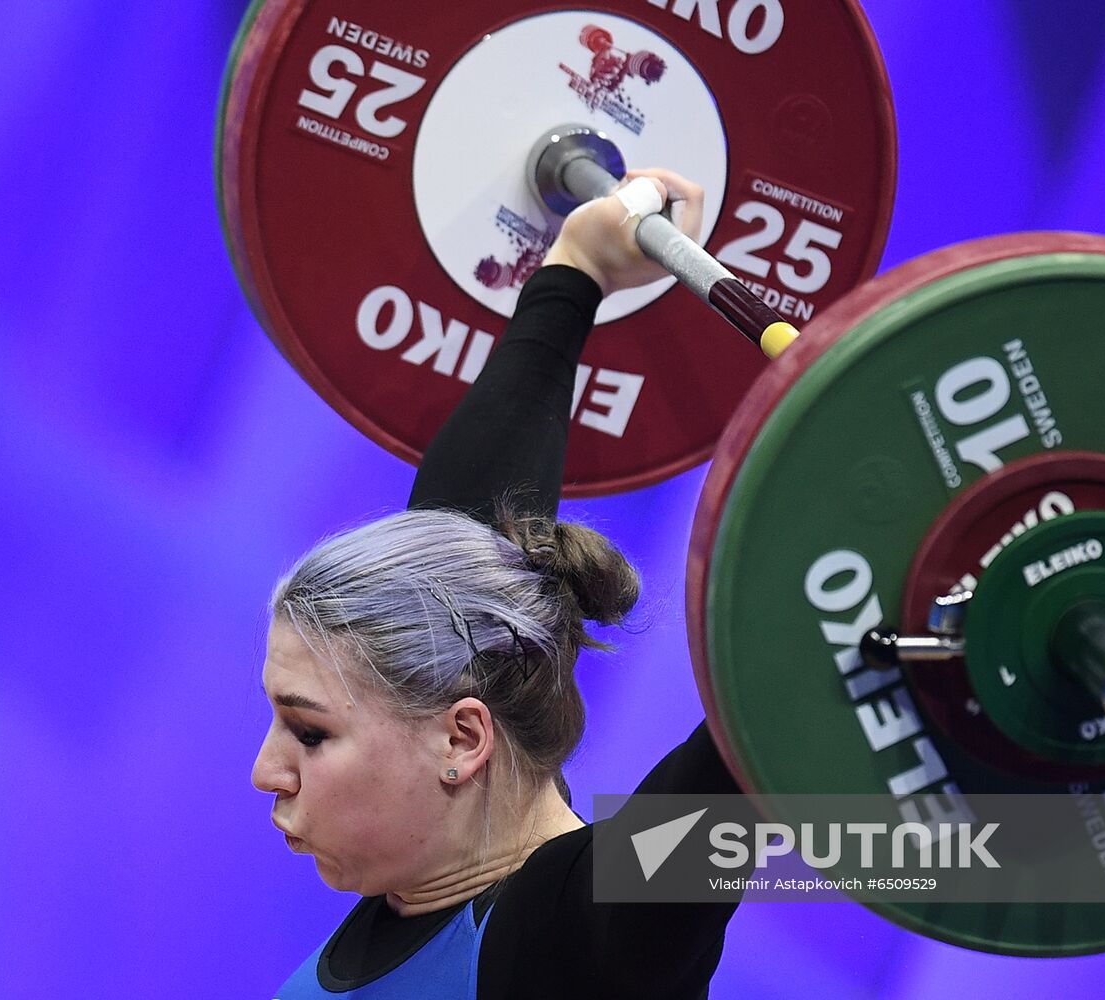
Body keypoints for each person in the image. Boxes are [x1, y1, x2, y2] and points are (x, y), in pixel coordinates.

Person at [252, 169, 742, 999]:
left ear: (461, 740)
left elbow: (743, 751)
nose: (267, 770)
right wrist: (575, 269)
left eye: (309, 732)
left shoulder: (569, 951)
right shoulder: (430, 873)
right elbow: (467, 544)